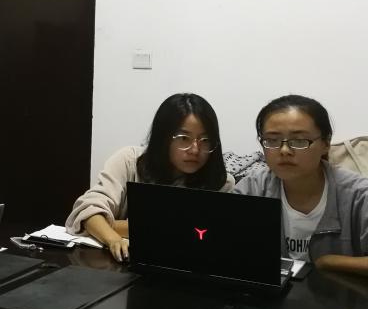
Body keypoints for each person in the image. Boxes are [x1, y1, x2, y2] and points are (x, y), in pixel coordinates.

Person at [64, 93, 233, 261]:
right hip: (120, 264)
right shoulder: (129, 162)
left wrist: (113, 224)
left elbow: (202, 236)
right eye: (183, 138)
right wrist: (114, 239)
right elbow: (88, 211)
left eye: (205, 140)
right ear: (163, 138)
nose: (195, 149)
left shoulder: (222, 183)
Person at [235, 95, 368, 274]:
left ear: (326, 143)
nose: (284, 150)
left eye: (299, 141)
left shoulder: (359, 196)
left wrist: (327, 262)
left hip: (337, 291)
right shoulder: (253, 188)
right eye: (272, 140)